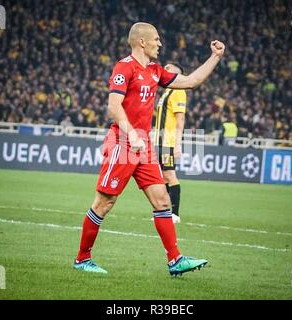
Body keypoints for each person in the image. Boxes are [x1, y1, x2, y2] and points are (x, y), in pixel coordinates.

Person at [73, 22, 225, 276]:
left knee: (162, 199)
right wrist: (131, 134)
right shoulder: (124, 67)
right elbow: (114, 106)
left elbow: (191, 81)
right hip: (123, 142)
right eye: (156, 39)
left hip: (142, 146)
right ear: (142, 42)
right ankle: (82, 259)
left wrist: (215, 57)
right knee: (104, 203)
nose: (160, 43)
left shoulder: (155, 70)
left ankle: (175, 260)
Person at [154, 62, 187, 223]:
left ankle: (175, 213)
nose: (165, 68)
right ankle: (165, 213)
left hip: (168, 142)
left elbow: (180, 119)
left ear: (177, 73)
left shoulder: (178, 90)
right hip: (159, 142)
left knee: (170, 175)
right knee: (162, 178)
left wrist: (178, 144)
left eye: (169, 67)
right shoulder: (167, 91)